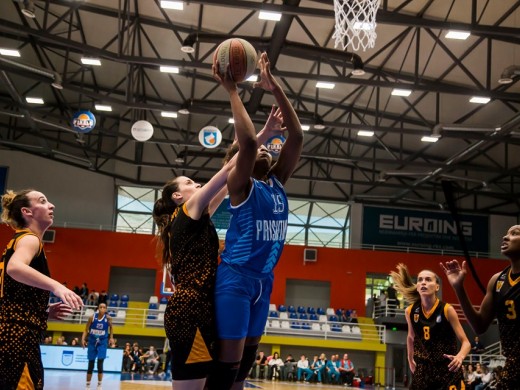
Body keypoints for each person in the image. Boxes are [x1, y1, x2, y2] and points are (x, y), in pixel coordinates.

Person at [152, 59, 284, 390]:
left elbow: (230, 179)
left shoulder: (195, 216)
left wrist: (264, 135)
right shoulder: (189, 211)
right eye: (188, 183)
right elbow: (226, 174)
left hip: (202, 307)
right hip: (191, 309)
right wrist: (233, 94)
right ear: (179, 198)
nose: (195, 184)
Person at [208, 52, 304, 390]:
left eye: (269, 150)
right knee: (228, 366)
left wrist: (273, 85)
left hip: (264, 282)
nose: (266, 150)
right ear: (239, 164)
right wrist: (232, 89)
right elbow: (248, 143)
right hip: (235, 279)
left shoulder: (276, 181)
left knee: (245, 366)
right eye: (257, 153)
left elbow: (297, 136)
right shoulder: (241, 186)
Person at [0, 189, 83, 389]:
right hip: (16, 340)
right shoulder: (30, 239)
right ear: (27, 212)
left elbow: (10, 299)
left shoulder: (19, 240)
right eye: (43, 201)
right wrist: (56, 287)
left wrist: (42, 313)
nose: (51, 205)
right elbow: (15, 268)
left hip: (11, 334)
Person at [441, 224, 520, 389]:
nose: (505, 237)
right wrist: (458, 288)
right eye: (506, 233)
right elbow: (479, 326)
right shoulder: (497, 280)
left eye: (514, 234)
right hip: (513, 371)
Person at [391, 263, 470, 390]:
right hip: (423, 370)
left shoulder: (447, 310)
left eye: (428, 280)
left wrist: (460, 356)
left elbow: (466, 342)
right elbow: (411, 337)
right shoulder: (410, 311)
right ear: (417, 287)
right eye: (420, 280)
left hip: (447, 369)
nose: (423, 283)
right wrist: (410, 359)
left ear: (437, 286)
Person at [82, 302, 114, 390]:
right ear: (98, 308)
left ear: (106, 309)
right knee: (91, 364)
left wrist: (111, 337)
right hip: (92, 342)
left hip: (102, 342)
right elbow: (86, 329)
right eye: (101, 307)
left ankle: (99, 384)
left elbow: (111, 328)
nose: (102, 308)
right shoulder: (92, 317)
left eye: (104, 307)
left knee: (100, 362)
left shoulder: (108, 318)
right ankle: (88, 385)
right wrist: (83, 339)